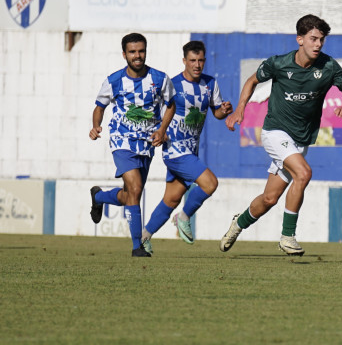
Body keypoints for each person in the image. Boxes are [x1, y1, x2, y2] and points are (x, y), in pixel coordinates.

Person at [220, 14, 342, 256]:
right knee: (303, 173)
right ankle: (287, 237)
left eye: (321, 40)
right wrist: (241, 107)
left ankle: (237, 224)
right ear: (300, 39)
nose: (318, 44)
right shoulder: (279, 64)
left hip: (300, 140)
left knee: (269, 199)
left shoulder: (328, 67)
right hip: (275, 131)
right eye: (313, 39)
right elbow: (252, 81)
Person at [139, 41, 233, 254]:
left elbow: (216, 112)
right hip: (174, 149)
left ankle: (143, 238)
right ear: (184, 61)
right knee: (210, 183)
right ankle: (184, 217)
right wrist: (159, 132)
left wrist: (224, 110)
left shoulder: (210, 84)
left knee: (171, 199)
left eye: (200, 61)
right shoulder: (173, 85)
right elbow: (158, 113)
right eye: (192, 60)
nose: (197, 65)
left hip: (191, 150)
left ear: (204, 61)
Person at [88, 33, 174, 257]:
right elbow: (99, 107)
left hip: (147, 144)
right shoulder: (114, 80)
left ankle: (98, 197)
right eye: (133, 52)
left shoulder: (160, 78)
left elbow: (171, 105)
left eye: (141, 51)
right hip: (121, 141)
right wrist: (96, 126)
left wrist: (162, 130)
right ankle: (138, 247)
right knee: (135, 189)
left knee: (130, 196)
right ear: (124, 54)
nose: (138, 56)